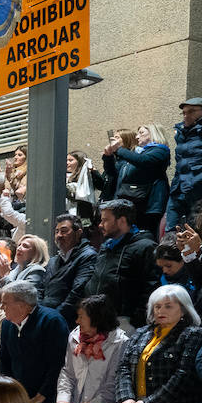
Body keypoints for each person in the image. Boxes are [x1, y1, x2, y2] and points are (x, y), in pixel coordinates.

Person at [114, 284, 202, 403]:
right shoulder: (141, 332)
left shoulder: (193, 334)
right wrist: (125, 398)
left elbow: (183, 375)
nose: (160, 311)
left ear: (183, 310)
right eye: (157, 306)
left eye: (168, 306)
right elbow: (123, 367)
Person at [84, 199, 159, 329]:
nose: (100, 225)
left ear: (122, 221)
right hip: (98, 319)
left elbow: (151, 287)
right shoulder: (106, 246)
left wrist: (135, 321)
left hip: (124, 324)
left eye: (105, 220)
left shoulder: (145, 247)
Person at [53, 294, 130, 403]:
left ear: (96, 318)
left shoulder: (119, 342)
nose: (77, 321)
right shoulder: (74, 337)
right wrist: (63, 399)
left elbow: (114, 381)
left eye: (81, 317)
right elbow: (68, 373)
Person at [0, 281, 68, 403]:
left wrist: (42, 395)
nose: (1, 307)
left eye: (5, 303)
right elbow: (4, 360)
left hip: (44, 398)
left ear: (21, 305)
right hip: (16, 395)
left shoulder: (52, 321)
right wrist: (9, 389)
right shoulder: (6, 324)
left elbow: (57, 363)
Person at [102, 125, 171, 234]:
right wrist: (108, 157)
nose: (137, 137)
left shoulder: (160, 150)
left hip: (150, 205)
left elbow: (143, 161)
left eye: (141, 133)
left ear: (153, 134)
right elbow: (113, 173)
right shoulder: (137, 153)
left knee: (147, 236)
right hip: (135, 203)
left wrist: (119, 150)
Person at [41, 214, 98, 328]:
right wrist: (37, 312)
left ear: (78, 233)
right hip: (46, 317)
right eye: (56, 232)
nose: (59, 235)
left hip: (67, 321)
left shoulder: (88, 256)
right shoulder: (53, 261)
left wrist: (55, 316)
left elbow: (77, 291)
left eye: (64, 231)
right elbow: (41, 287)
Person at [164, 97, 202, 232]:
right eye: (184, 112)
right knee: (171, 230)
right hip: (178, 189)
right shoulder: (181, 132)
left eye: (191, 111)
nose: (186, 115)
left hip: (200, 191)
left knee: (197, 231)